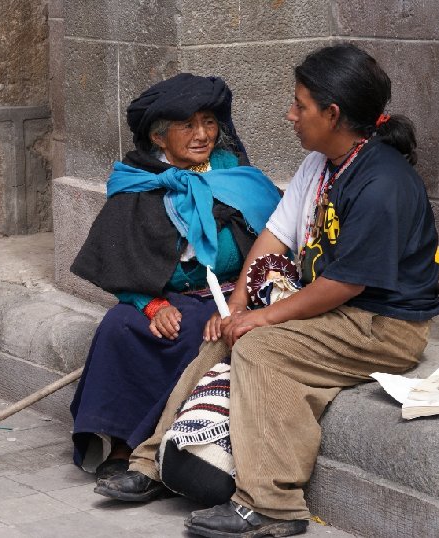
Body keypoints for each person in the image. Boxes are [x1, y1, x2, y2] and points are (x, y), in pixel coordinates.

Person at [95, 44, 439, 538]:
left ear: (333, 113)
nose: (291, 115)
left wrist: (260, 319)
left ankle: (273, 505)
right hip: (340, 311)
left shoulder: (383, 181)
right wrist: (237, 304)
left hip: (383, 326)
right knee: (223, 334)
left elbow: (346, 283)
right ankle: (151, 463)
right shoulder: (323, 163)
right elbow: (276, 234)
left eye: (300, 105)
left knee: (257, 346)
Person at [69, 74, 282, 481]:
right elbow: (121, 260)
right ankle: (118, 444)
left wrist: (239, 303)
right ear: (159, 137)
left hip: (232, 296)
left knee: (193, 336)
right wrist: (151, 305)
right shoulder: (138, 178)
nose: (202, 135)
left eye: (209, 123)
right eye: (188, 125)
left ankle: (155, 449)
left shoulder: (233, 172)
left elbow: (274, 241)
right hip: (165, 296)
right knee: (118, 326)